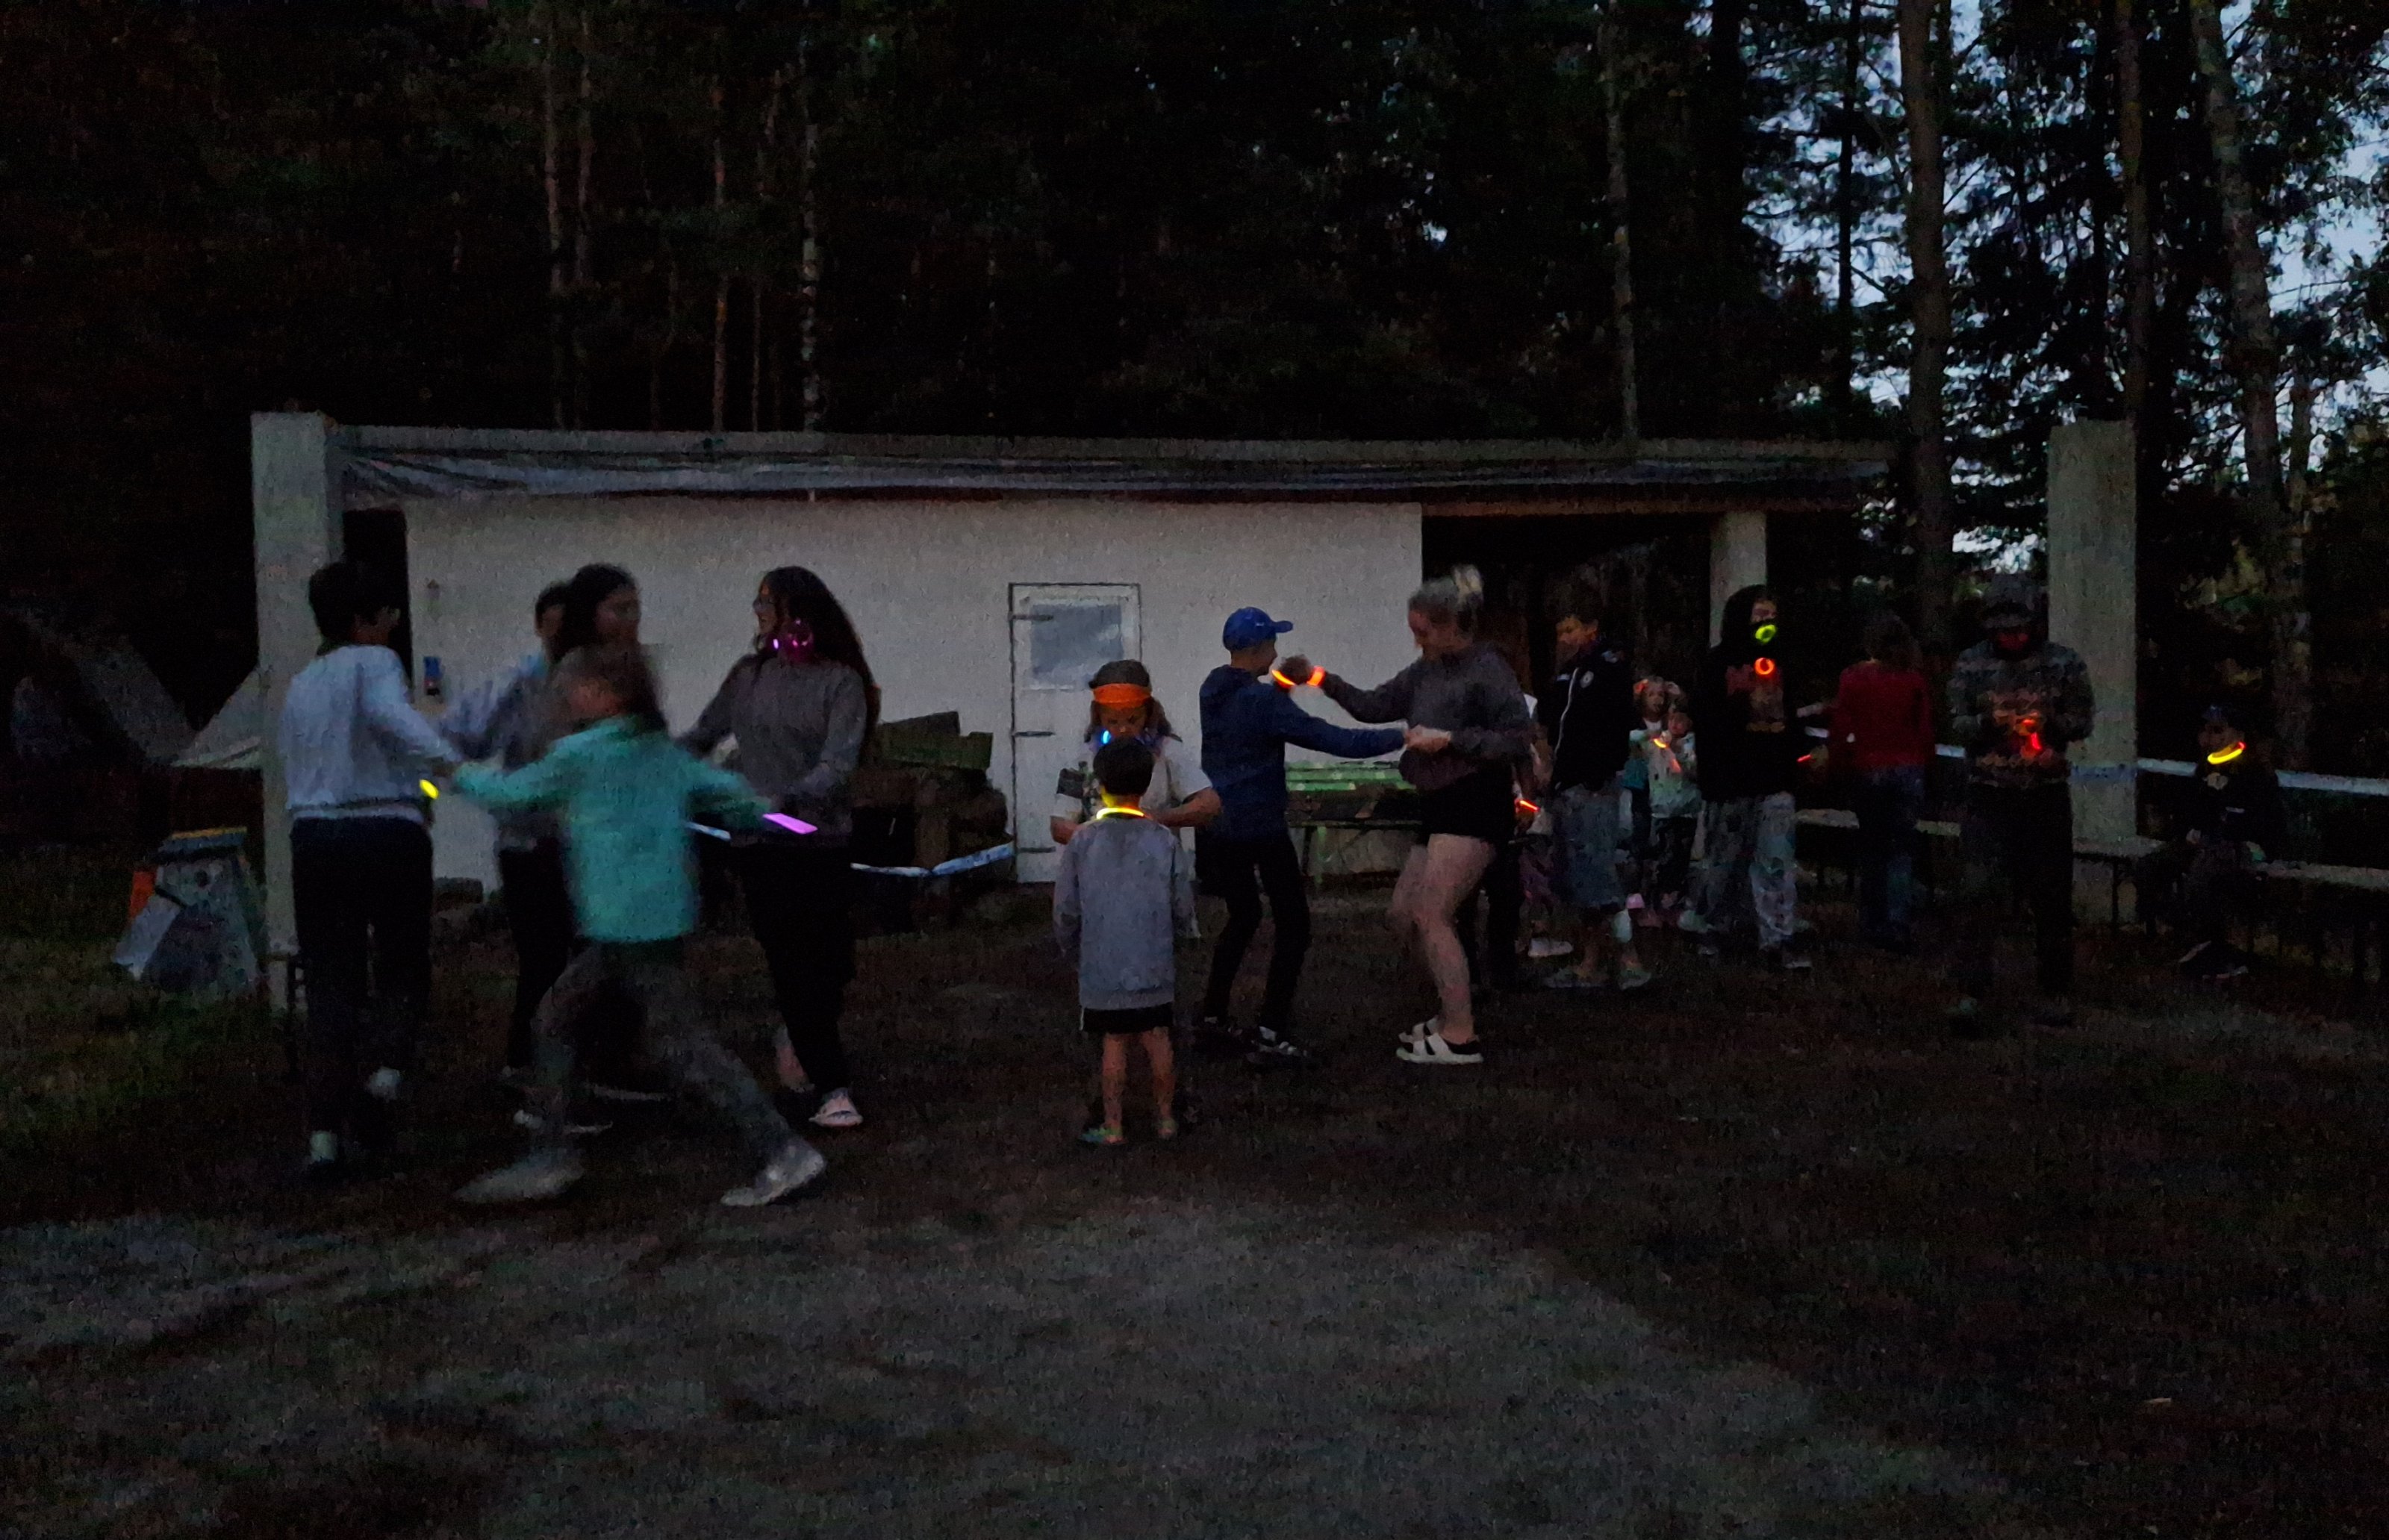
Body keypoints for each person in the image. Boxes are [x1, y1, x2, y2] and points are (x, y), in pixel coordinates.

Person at [454, 643, 826, 1207]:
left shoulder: (581, 754)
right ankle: (550, 1154)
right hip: (653, 922)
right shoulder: (662, 754)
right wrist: (801, 829)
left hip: (624, 926)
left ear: (609, 694)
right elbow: (738, 800)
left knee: (685, 1050)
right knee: (555, 1021)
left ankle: (782, 1149)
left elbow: (510, 795)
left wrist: (446, 775)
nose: (565, 695)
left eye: (577, 686)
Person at [1284, 566, 1534, 1066]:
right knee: (1405, 914)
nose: (1416, 640)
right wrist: (1320, 679)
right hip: (1437, 802)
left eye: (1422, 631)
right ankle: (1451, 1007)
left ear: (1450, 625)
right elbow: (1374, 705)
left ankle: (1461, 1035)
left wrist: (1452, 740)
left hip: (1475, 800)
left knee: (1433, 912)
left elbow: (1515, 738)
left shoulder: (1488, 667)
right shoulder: (1425, 670)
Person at [278, 560, 457, 1179]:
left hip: (314, 836)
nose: (394, 626)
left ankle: (323, 1140)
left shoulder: (301, 684)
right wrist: (447, 767)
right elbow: (395, 726)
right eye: (388, 615)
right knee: (404, 965)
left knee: (331, 983)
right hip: (386, 831)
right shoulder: (375, 663)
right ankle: (383, 1083)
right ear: (363, 621)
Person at [684, 566, 875, 1131]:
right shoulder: (748, 677)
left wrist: (787, 798)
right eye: (759, 604)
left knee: (830, 960)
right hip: (761, 843)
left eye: (770, 603)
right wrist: (648, 760)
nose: (760, 612)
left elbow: (837, 764)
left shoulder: (841, 683)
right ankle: (832, 1085)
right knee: (792, 962)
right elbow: (703, 734)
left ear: (802, 614)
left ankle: (799, 1037)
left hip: (819, 839)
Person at [1194, 606, 1404, 1065]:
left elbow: (1254, 715)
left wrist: (1283, 686)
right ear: (1260, 647)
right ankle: (1271, 1031)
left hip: (1220, 824)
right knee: (1294, 925)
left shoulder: (1214, 689)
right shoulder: (1262, 702)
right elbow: (1334, 740)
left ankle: (1212, 1017)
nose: (1277, 651)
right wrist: (1403, 736)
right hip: (1262, 826)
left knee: (1243, 916)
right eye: (1272, 643)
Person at [1946, 576, 2094, 1030]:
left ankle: (2055, 990)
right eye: (2003, 630)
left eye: (2019, 629)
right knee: (1977, 893)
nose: (2012, 637)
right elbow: (1954, 722)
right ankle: (1972, 992)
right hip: (1987, 796)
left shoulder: (2063, 662)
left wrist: (2049, 730)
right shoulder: (1971, 664)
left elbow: (2082, 718)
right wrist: (1990, 725)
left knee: (2051, 897)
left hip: (2044, 796)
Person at [440, 580, 572, 1080]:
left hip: (579, 842)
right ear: (539, 627)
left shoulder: (592, 684)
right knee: (542, 957)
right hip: (528, 843)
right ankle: (526, 1061)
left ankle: (568, 1060)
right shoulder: (518, 684)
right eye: (554, 627)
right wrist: (463, 782)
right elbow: (460, 738)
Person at [1055, 738, 1191, 1146]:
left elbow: (1066, 907)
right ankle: (1166, 1119)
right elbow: (1182, 903)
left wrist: (1070, 945)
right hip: (1153, 961)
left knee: (1113, 1043)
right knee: (1158, 1038)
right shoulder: (1163, 839)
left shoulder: (1082, 841)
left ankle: (1113, 1125)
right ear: (1147, 785)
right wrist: (1182, 938)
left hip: (1103, 965)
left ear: (1099, 784)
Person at [1689, 585, 1811, 970]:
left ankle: (1777, 938)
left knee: (1776, 861)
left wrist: (1800, 759)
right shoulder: (1717, 663)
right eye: (1759, 615)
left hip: (1775, 778)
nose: (1766, 623)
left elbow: (1794, 717)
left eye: (1771, 616)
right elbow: (1705, 721)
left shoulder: (1785, 661)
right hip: (1730, 779)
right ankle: (1715, 927)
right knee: (1724, 862)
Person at [1534, 592, 1648, 991]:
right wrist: (1546, 764)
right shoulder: (1566, 675)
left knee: (1599, 874)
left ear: (1590, 629)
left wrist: (1598, 774)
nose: (1564, 638)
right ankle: (1590, 961)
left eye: (1570, 629)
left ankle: (1629, 959)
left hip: (1594, 787)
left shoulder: (1609, 668)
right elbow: (1545, 720)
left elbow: (1615, 726)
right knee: (1580, 879)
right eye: (1559, 632)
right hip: (1567, 787)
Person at [1051, 658, 1219, 910]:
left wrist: (1154, 820)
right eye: (1112, 721)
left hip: (1155, 877)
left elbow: (1209, 804)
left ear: (1149, 714)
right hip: (1098, 879)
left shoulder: (1168, 753)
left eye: (1132, 720)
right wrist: (1104, 838)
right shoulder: (1082, 759)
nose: (1123, 730)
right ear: (1098, 716)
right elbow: (1059, 825)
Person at [2139, 705, 2284, 982]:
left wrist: (2222, 829)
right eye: (2206, 731)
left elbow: (2262, 821)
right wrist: (2190, 830)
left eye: (2218, 731)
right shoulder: (2204, 768)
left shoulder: (2255, 771)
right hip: (2206, 842)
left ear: (2238, 735)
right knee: (2150, 867)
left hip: (2246, 846)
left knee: (2202, 876)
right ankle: (2186, 933)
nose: (2210, 738)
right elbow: (2190, 809)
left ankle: (2215, 948)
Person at [1830, 614, 1935, 951]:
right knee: (1900, 850)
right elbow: (1924, 729)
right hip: (1908, 769)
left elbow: (1843, 726)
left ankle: (1871, 921)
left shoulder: (1853, 678)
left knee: (1872, 848)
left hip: (1868, 769)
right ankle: (1897, 922)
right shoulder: (1912, 680)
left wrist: (1838, 763)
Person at [1628, 679, 1698, 923]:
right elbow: (1632, 739)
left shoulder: (1691, 745)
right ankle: (1652, 899)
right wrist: (1652, 736)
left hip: (1686, 810)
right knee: (1659, 854)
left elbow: (1693, 770)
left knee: (1681, 856)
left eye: (1681, 719)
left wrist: (1678, 752)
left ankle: (1674, 899)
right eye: (1673, 719)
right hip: (1661, 809)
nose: (1676, 724)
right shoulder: (1657, 740)